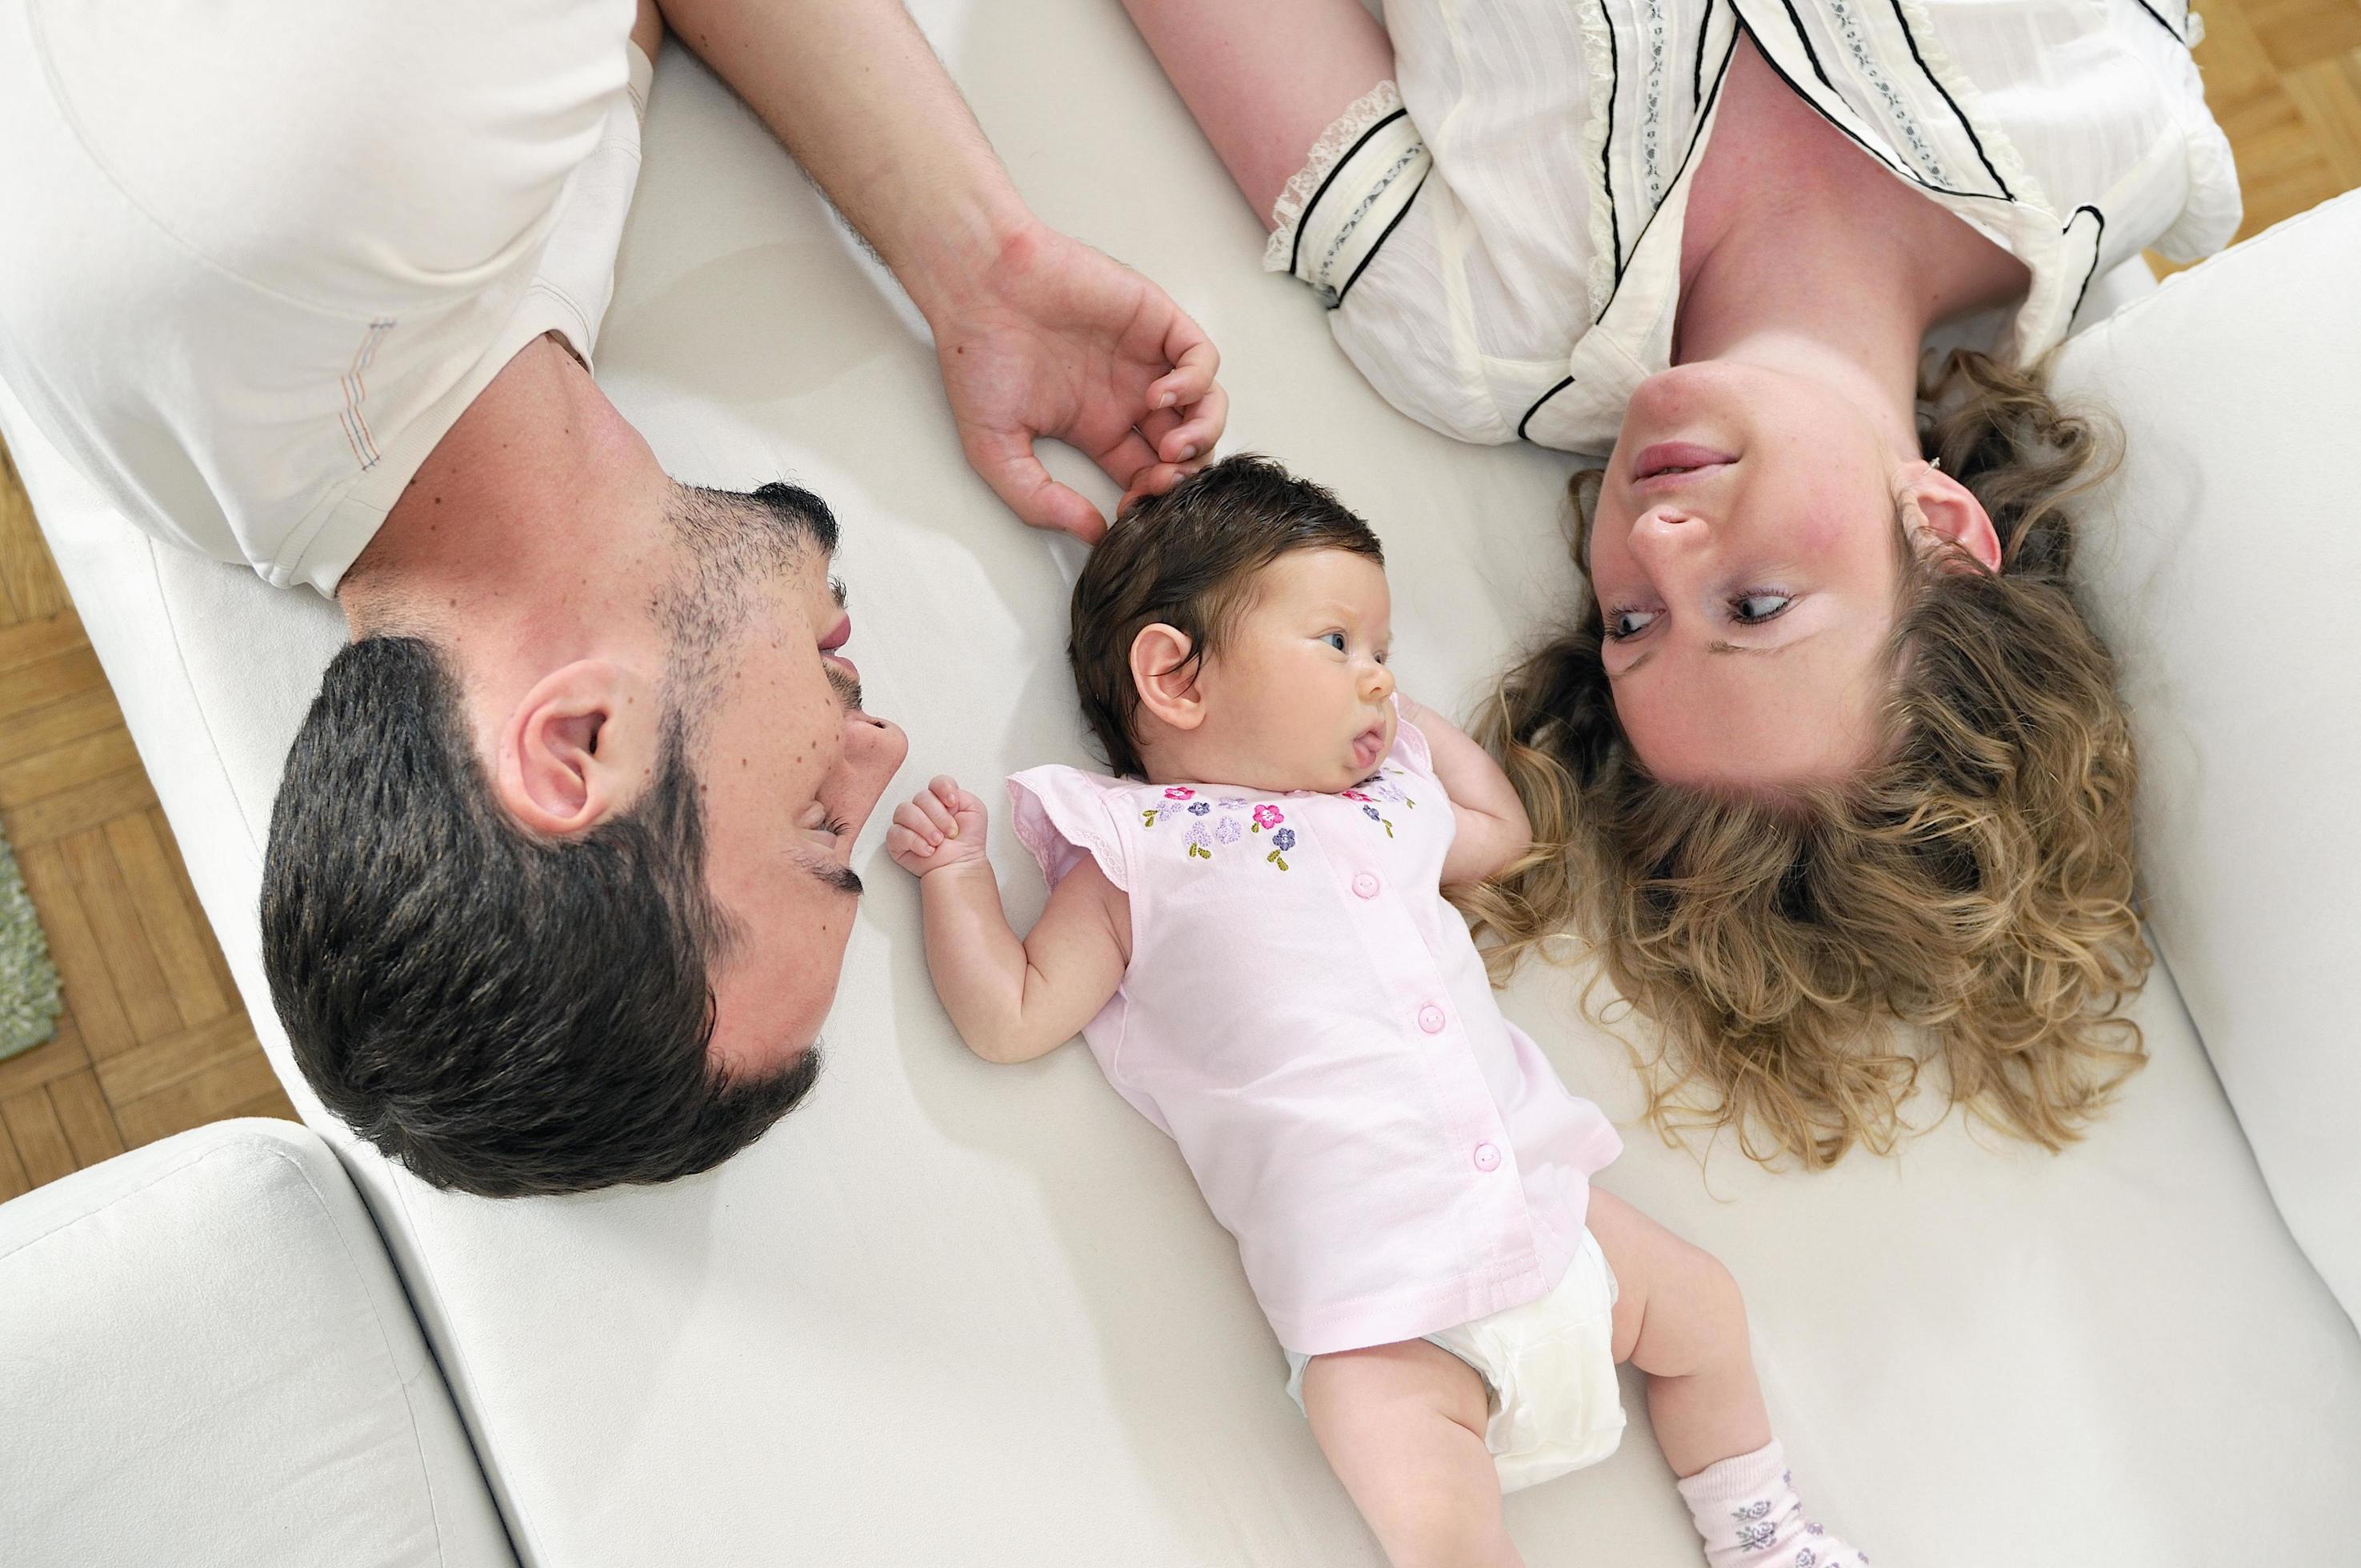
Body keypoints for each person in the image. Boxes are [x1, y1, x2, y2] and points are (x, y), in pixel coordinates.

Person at [0, 0, 1226, 1194]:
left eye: (815, 830)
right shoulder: (359, 419)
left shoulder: (340, 197)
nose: (882, 748)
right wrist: (983, 266)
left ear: (579, 741)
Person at [1122, 0, 2240, 1166]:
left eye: (1632, 622)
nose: (1653, 541)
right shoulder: (2113, 132)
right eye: (1755, 608)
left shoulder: (1472, 328)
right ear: (1945, 532)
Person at [886, 458, 1868, 1568]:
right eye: (1339, 643)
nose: (1378, 680)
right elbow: (1013, 1014)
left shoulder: (1388, 812)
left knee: (1706, 1314)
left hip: (1542, 1216)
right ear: (1174, 676)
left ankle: (1769, 1539)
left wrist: (1408, 732)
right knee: (1445, 1535)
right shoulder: (1137, 852)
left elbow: (1498, 833)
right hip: (1380, 1315)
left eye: (1388, 652)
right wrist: (959, 877)